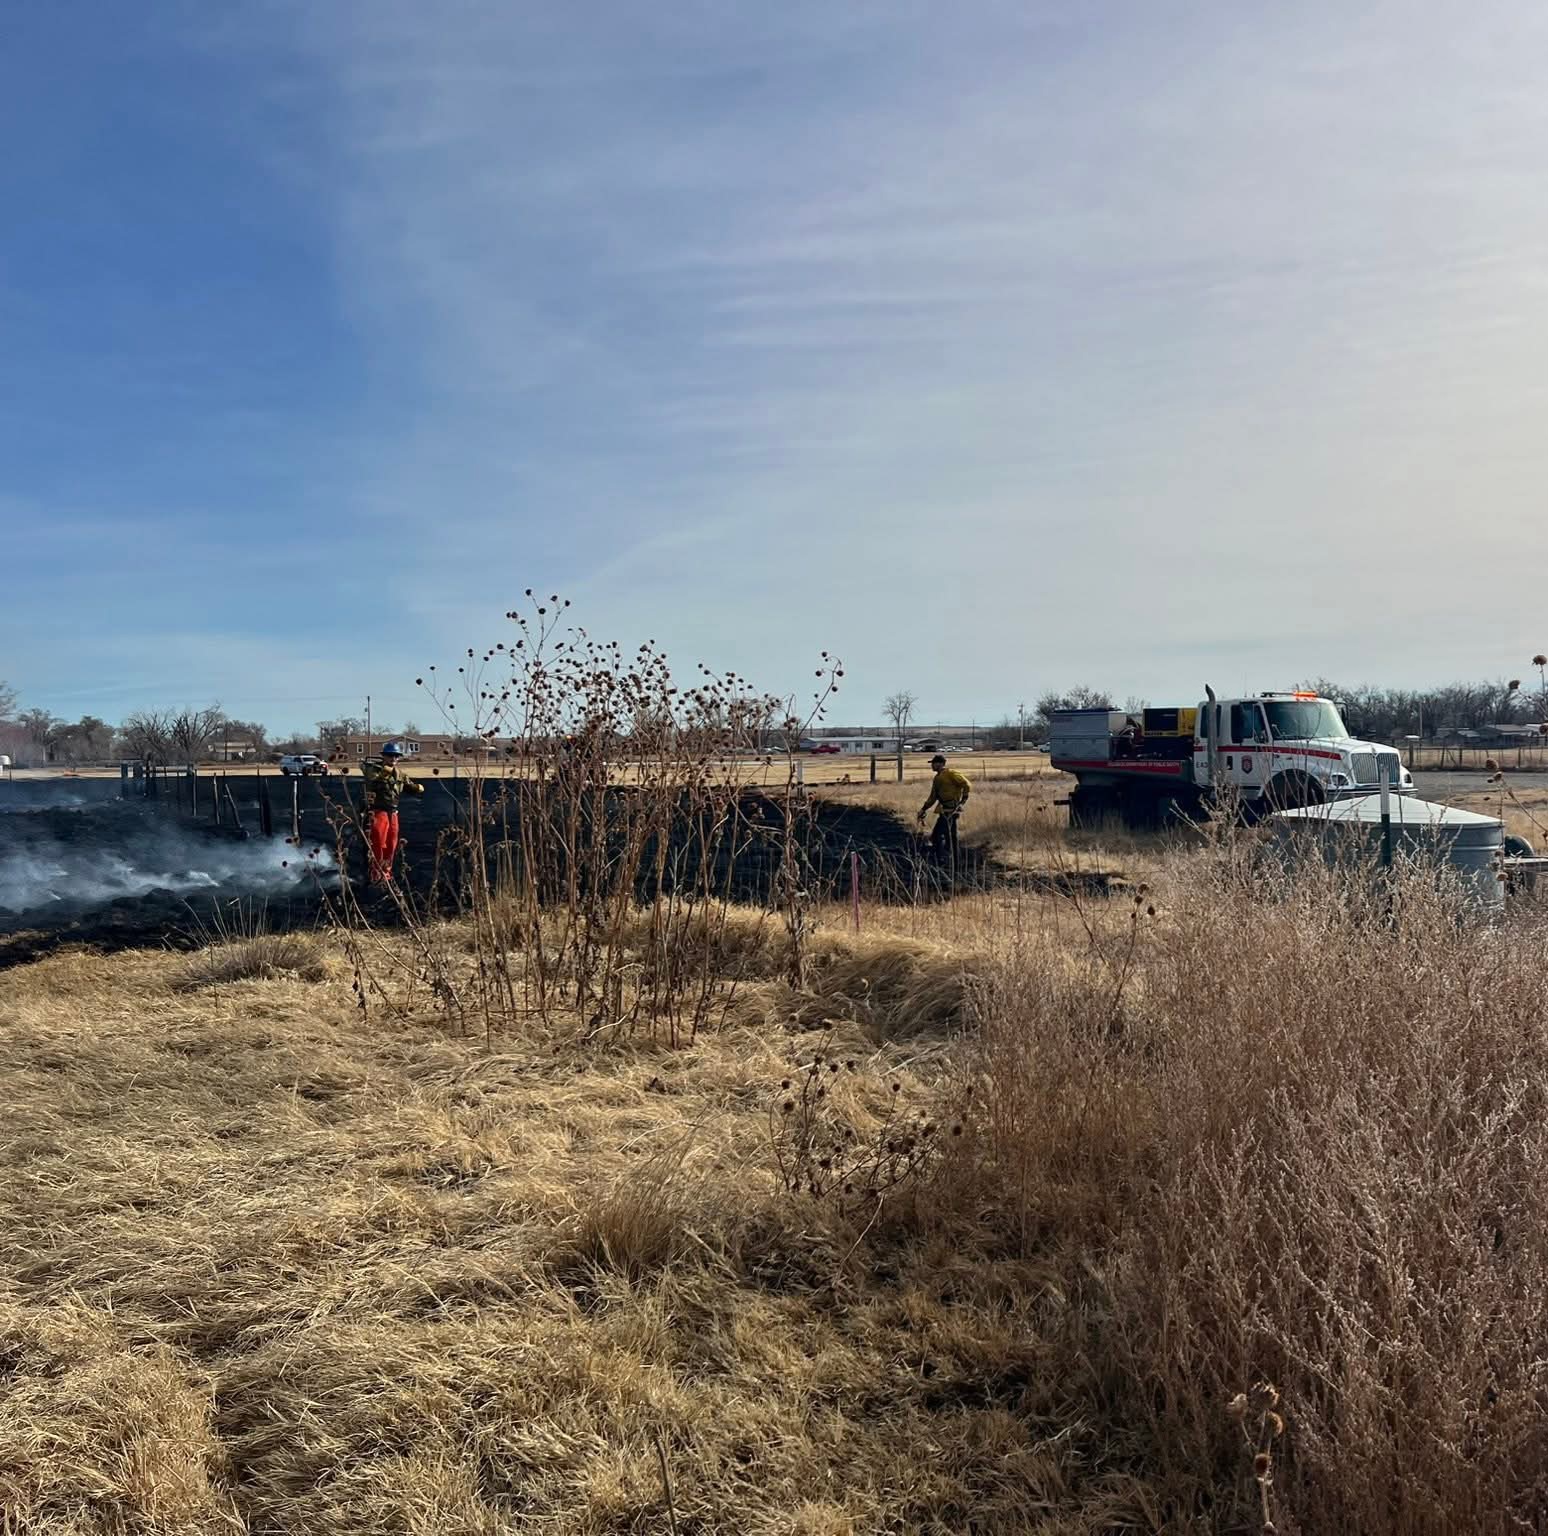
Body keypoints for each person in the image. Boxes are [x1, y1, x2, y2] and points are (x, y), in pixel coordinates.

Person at [358, 741, 424, 883]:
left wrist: (416, 788)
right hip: (378, 811)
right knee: (378, 842)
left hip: (393, 812)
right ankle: (375, 874)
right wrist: (383, 775)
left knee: (392, 844)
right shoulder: (374, 769)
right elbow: (372, 781)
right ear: (384, 756)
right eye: (390, 755)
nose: (393, 758)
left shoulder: (399, 774)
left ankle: (386, 875)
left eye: (396, 756)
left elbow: (408, 786)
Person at [917, 753, 971, 864]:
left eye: (934, 763)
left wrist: (963, 801)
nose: (932, 765)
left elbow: (966, 784)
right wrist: (924, 809)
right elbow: (933, 797)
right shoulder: (937, 778)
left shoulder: (951, 773)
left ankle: (948, 860)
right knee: (946, 836)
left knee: (945, 837)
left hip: (951, 811)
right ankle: (949, 860)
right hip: (944, 810)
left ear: (941, 764)